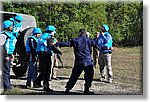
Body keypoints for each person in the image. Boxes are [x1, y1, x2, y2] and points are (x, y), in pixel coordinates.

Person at [56, 28, 100, 94]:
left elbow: (66, 43)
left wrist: (57, 43)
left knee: (74, 76)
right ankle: (86, 89)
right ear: (85, 34)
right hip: (88, 61)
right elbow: (98, 46)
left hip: (79, 61)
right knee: (89, 76)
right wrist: (108, 48)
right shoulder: (90, 40)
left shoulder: (75, 40)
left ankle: (68, 89)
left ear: (79, 33)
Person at [34, 25, 56, 91]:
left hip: (40, 54)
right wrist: (57, 51)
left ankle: (37, 82)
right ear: (51, 31)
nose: (54, 32)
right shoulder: (49, 37)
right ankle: (46, 86)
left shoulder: (42, 36)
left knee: (43, 70)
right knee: (47, 71)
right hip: (46, 54)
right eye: (54, 31)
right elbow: (51, 46)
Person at [0, 20, 16, 91]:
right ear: (7, 27)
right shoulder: (3, 35)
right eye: (11, 26)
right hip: (4, 55)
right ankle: (7, 87)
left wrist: (11, 54)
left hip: (8, 54)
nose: (12, 27)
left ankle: (8, 84)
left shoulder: (10, 34)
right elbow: (2, 46)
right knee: (5, 71)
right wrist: (6, 55)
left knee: (8, 70)